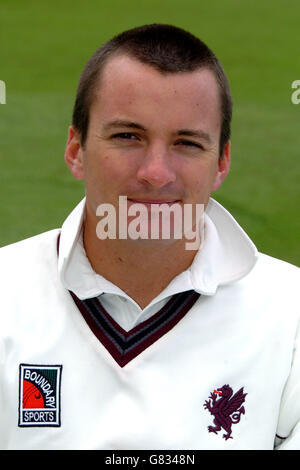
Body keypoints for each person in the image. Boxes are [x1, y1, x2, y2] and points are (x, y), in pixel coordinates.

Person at [0, 24, 299, 451]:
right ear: (75, 149)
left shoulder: (291, 318)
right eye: (128, 137)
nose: (156, 173)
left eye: (187, 143)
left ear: (221, 163)